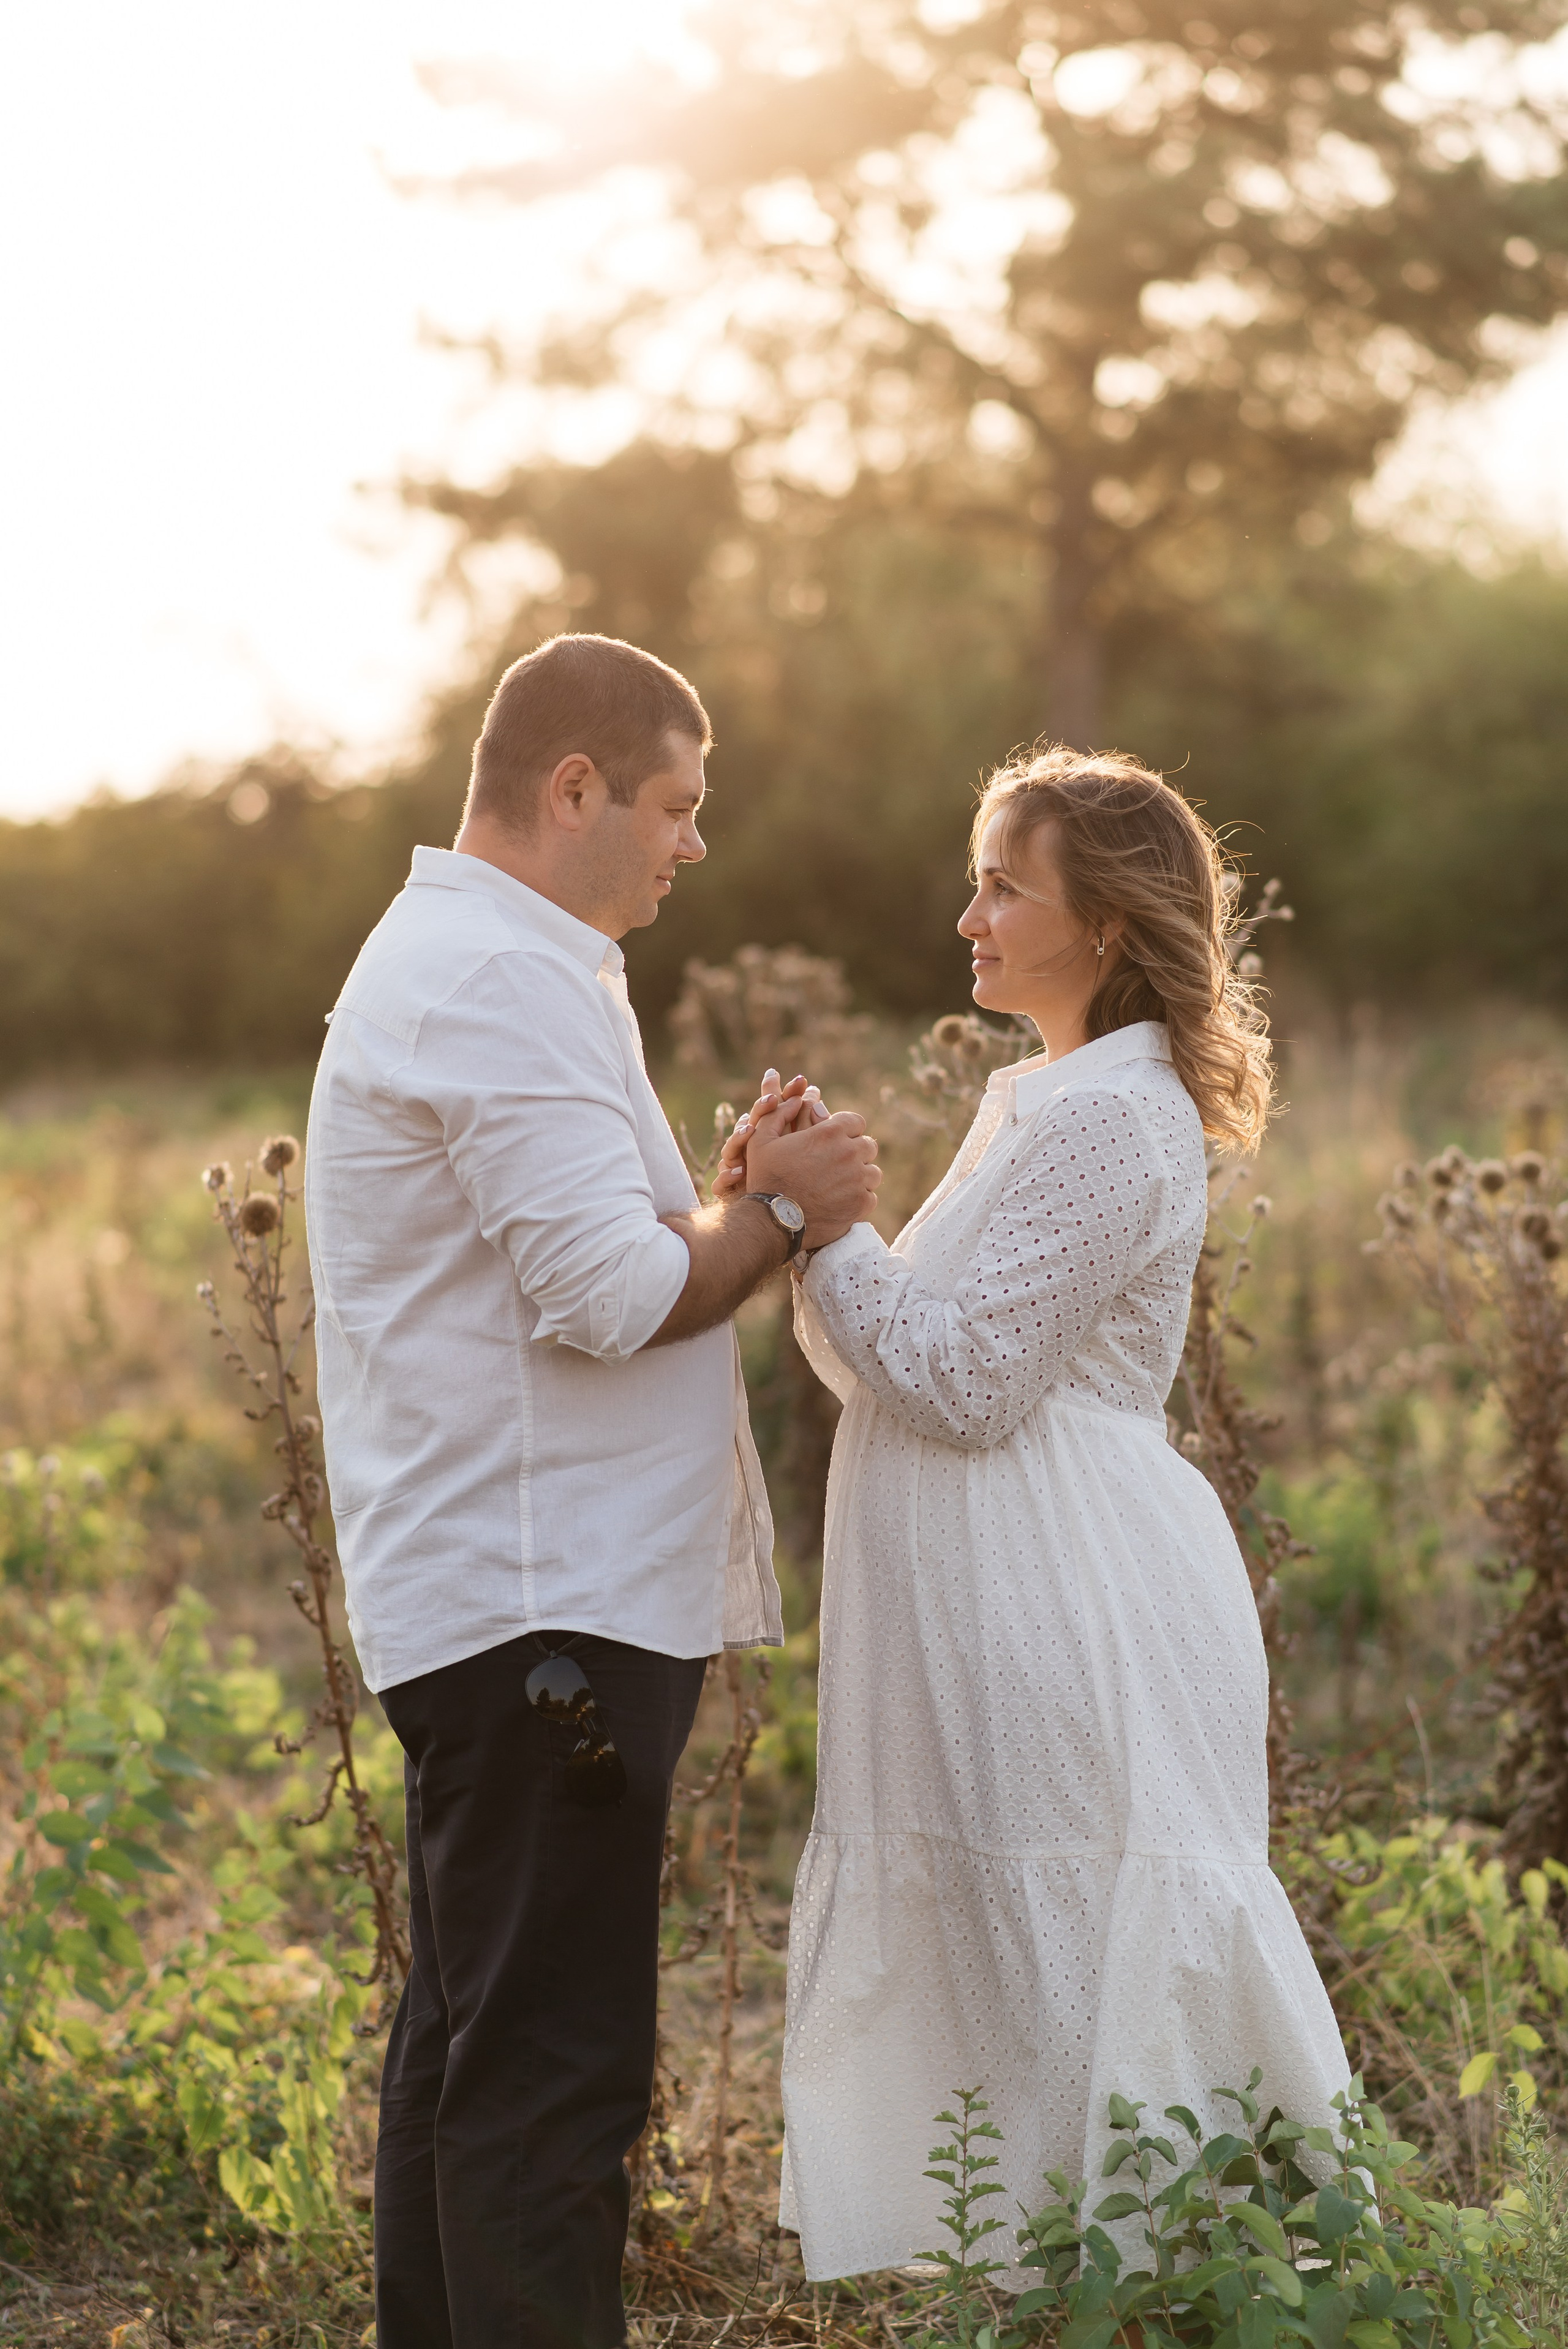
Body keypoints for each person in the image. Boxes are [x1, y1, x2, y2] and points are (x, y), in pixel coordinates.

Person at [303, 632, 880, 2349]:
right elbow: (620, 1297)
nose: (692, 844)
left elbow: (590, 1254)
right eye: (674, 806)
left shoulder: (487, 959)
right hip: (543, 1609)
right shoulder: (499, 977)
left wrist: (716, 1200)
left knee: (473, 2050)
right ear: (573, 789)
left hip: (499, 1594)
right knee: (551, 2082)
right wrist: (781, 1213)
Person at [722, 746, 1349, 2282]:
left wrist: (828, 1226)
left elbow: (963, 1378)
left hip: (1059, 1588)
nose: (968, 917)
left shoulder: (1107, 1118)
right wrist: (788, 1217)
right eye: (978, 877)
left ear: (1112, 925)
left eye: (1005, 884)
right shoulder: (1040, 1098)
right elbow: (875, 1355)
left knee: (1061, 1925)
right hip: (983, 1584)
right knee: (1002, 1943)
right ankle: (1040, 2280)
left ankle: (1157, 2281)